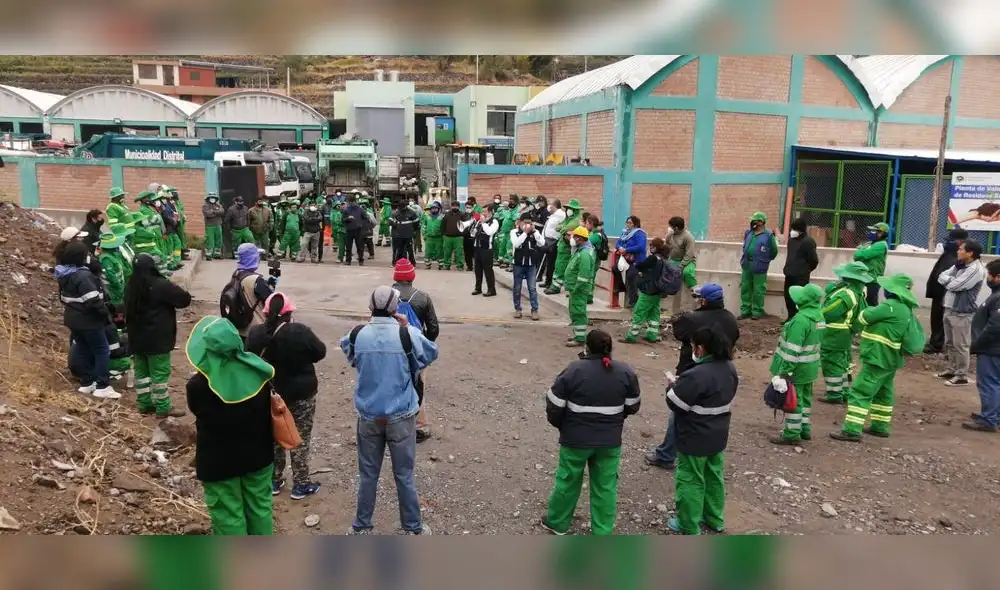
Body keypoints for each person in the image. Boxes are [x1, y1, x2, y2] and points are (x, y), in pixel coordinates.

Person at [340, 286, 439, 535]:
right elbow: (430, 353)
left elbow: (350, 356)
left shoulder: (356, 334)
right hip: (401, 416)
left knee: (368, 475)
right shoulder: (407, 335)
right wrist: (409, 328)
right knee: (404, 475)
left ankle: (362, 527)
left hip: (368, 416)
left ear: (370, 307)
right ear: (396, 309)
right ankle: (413, 528)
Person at [541, 329, 640, 535]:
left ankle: (558, 523)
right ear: (610, 348)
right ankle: (602, 531)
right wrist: (614, 421)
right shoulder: (625, 372)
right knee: (605, 487)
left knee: (567, 482)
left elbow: (554, 405)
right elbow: (632, 405)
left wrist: (563, 427)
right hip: (609, 442)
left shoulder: (574, 370)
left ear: (586, 347)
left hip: (575, 440)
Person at [186, 315, 276, 535]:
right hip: (259, 455)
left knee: (228, 515)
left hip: (219, 463)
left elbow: (198, 412)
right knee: (260, 508)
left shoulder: (198, 386)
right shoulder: (259, 372)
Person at [645, 283, 739, 470]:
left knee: (679, 412)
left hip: (692, 370)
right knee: (713, 413)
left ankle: (666, 455)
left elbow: (679, 332)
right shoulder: (730, 319)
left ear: (704, 300)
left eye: (698, 298)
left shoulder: (694, 318)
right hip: (721, 370)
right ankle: (707, 455)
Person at [245, 293, 326, 499]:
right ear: (289, 312)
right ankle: (300, 483)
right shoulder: (300, 332)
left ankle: (273, 480)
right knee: (300, 437)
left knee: (274, 436)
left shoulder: (256, 334)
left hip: (271, 394)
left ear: (265, 312)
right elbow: (320, 352)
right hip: (302, 394)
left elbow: (249, 358)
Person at [830, 273, 921, 442]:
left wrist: (867, 310)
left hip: (878, 356)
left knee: (860, 391)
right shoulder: (905, 309)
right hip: (891, 359)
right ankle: (880, 426)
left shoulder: (890, 307)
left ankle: (852, 429)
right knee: (883, 392)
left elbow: (864, 317)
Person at [665, 327, 738, 535]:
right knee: (714, 476)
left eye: (693, 346)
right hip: (718, 432)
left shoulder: (697, 375)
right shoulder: (729, 368)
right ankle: (715, 518)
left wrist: (671, 387)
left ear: (701, 348)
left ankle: (688, 524)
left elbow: (675, 403)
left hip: (694, 436)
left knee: (690, 478)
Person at [125, 253, 192, 416]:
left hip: (136, 337)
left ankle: (144, 403)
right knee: (160, 374)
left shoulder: (130, 285)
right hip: (157, 338)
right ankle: (163, 406)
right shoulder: (160, 285)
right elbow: (184, 299)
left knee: (142, 374)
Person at [56, 242, 120, 400]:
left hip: (73, 318)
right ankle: (102, 386)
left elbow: (63, 298)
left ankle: (87, 382)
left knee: (84, 349)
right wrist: (106, 315)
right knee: (102, 350)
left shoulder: (64, 274)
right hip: (88, 321)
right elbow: (93, 301)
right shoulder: (83, 276)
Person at [768, 284, 825, 445]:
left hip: (797, 369)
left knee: (794, 400)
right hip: (811, 367)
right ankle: (804, 429)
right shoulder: (819, 317)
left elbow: (792, 351)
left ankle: (792, 433)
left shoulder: (800, 320)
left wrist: (785, 372)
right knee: (805, 400)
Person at [391, 259, 440, 443]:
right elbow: (433, 328)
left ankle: (393, 423)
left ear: (395, 277)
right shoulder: (423, 297)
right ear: (412, 276)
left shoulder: (385, 296)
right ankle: (419, 426)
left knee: (393, 385)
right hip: (416, 351)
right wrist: (424, 343)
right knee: (418, 386)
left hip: (391, 349)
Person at [818, 262, 873, 405]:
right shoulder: (858, 293)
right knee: (842, 364)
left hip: (834, 336)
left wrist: (814, 317)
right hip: (844, 335)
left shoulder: (845, 294)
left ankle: (834, 394)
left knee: (831, 363)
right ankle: (844, 391)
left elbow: (828, 313)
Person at [936, 239, 986, 387]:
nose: (958, 251)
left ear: (970, 253)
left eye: (961, 249)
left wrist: (950, 280)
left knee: (961, 344)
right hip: (949, 307)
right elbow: (941, 276)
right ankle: (952, 369)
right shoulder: (960, 265)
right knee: (950, 342)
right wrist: (951, 279)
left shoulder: (975, 269)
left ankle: (962, 375)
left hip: (962, 311)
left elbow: (955, 285)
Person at [966, 259, 1000, 433]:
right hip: (993, 348)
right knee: (995, 383)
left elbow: (995, 326)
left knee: (989, 383)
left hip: (992, 349)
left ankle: (989, 419)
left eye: (990, 275)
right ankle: (994, 414)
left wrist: (977, 344)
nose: (988, 279)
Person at [925, 229, 968, 354]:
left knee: (942, 321)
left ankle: (937, 345)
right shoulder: (949, 253)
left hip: (946, 295)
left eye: (951, 240)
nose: (948, 243)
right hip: (939, 293)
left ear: (961, 242)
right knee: (936, 319)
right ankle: (935, 342)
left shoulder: (959, 256)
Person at [622, 238, 670, 344]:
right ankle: (652, 335)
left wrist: (635, 262)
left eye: (652, 246)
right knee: (654, 313)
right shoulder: (663, 259)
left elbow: (640, 265)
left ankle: (631, 337)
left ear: (656, 247)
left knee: (639, 312)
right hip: (658, 291)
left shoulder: (653, 259)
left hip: (648, 290)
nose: (650, 247)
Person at [228, 243, 276, 337]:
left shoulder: (236, 274)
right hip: (256, 330)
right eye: (257, 256)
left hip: (239, 327)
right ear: (252, 258)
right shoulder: (256, 280)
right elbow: (272, 301)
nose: (258, 259)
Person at [739, 212, 778, 320]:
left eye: (755, 220)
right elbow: (744, 246)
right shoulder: (749, 233)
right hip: (747, 264)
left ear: (761, 222)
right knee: (745, 287)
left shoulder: (768, 236)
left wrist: (765, 260)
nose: (752, 222)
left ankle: (757, 311)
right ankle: (745, 310)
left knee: (758, 289)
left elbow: (774, 251)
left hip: (760, 266)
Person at [781, 217, 818, 322]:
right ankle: (790, 317)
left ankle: (798, 319)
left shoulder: (808, 242)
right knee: (788, 296)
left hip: (801, 276)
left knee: (799, 298)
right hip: (789, 273)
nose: (793, 232)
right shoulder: (791, 240)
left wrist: (805, 270)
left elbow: (814, 260)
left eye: (795, 229)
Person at [565, 227, 596, 347]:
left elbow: (584, 275)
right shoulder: (581, 251)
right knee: (575, 312)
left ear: (579, 239)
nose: (571, 239)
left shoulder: (584, 254)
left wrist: (575, 287)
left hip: (579, 289)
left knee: (578, 312)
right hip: (576, 289)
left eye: (573, 237)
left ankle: (580, 338)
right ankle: (578, 335)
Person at [510, 213, 545, 320]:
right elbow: (516, 243)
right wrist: (525, 233)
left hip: (531, 265)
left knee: (532, 288)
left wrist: (534, 232)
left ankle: (534, 310)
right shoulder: (514, 232)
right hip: (518, 264)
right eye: (524, 223)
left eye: (529, 223)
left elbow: (542, 243)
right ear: (520, 223)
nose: (527, 225)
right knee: (517, 288)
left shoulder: (535, 233)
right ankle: (518, 309)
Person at [545, 199, 583, 295]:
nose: (568, 210)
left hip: (568, 249)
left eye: (570, 209)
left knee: (565, 268)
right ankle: (557, 286)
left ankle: (558, 287)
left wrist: (563, 229)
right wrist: (563, 229)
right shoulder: (568, 219)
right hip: (562, 247)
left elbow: (566, 228)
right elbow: (559, 227)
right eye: (567, 208)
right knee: (559, 266)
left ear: (575, 210)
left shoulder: (576, 221)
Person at [462, 204, 500, 297]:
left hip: (487, 249)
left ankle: (491, 289)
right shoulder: (479, 221)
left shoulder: (494, 222)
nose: (483, 213)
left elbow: (489, 232)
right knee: (477, 270)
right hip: (477, 248)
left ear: (490, 212)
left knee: (488, 270)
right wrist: (472, 227)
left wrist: (483, 223)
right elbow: (473, 234)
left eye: (485, 212)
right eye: (482, 212)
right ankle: (478, 288)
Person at [853, 222, 890, 306]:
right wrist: (861, 250)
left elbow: (860, 255)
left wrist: (861, 250)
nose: (872, 233)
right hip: (865, 276)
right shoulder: (871, 243)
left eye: (876, 231)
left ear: (883, 234)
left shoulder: (880, 245)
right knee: (862, 301)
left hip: (873, 278)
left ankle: (874, 318)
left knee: (871, 302)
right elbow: (856, 255)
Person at [615, 216, 648, 308]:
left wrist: (627, 249)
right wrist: (620, 248)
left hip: (637, 260)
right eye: (627, 222)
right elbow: (617, 243)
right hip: (625, 259)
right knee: (615, 268)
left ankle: (634, 300)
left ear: (635, 224)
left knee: (631, 276)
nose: (627, 224)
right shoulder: (625, 233)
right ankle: (621, 287)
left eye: (630, 223)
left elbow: (641, 246)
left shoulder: (640, 233)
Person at [664, 216, 697, 289]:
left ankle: (695, 291)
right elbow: (666, 244)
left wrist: (681, 266)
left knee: (687, 273)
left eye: (671, 227)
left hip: (688, 262)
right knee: (663, 270)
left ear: (676, 228)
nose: (670, 228)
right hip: (673, 260)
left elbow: (689, 254)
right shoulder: (671, 235)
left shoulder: (688, 237)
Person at [98, 231, 128, 308]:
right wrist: (119, 289)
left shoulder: (113, 255)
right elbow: (111, 276)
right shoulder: (106, 258)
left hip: (120, 288)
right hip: (114, 292)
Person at [539, 198, 564, 289]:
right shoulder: (553, 215)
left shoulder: (561, 215)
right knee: (549, 263)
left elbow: (559, 228)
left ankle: (550, 283)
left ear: (555, 205)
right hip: (548, 240)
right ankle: (547, 281)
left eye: (551, 205)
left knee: (552, 263)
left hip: (554, 241)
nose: (549, 206)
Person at [389, 200, 420, 265]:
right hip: (399, 235)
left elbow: (416, 223)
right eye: (401, 207)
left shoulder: (411, 212)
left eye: (403, 207)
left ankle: (412, 263)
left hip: (408, 235)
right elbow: (390, 221)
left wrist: (414, 231)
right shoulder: (396, 213)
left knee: (409, 250)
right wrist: (395, 224)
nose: (402, 208)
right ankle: (397, 263)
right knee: (399, 250)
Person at [440, 200, 465, 271]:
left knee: (459, 253)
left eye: (456, 206)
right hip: (447, 237)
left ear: (459, 207)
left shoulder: (462, 215)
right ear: (451, 206)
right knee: (447, 252)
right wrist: (443, 234)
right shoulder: (447, 214)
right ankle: (446, 265)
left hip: (458, 237)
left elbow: (465, 225)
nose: (455, 207)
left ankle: (460, 266)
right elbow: (442, 225)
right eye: (453, 206)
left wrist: (462, 234)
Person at [342, 195, 366, 266]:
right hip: (349, 230)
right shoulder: (347, 210)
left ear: (355, 202)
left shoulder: (360, 209)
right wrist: (348, 218)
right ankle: (348, 261)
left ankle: (361, 260)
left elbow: (365, 218)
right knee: (348, 246)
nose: (351, 204)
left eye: (352, 202)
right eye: (350, 202)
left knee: (360, 246)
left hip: (358, 230)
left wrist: (361, 225)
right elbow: (342, 220)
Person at [202, 192, 225, 260]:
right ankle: (208, 255)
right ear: (208, 198)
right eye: (211, 197)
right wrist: (216, 212)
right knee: (210, 240)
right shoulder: (205, 206)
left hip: (218, 224)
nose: (212, 199)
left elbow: (222, 211)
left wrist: (213, 211)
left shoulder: (218, 205)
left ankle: (217, 254)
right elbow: (207, 214)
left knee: (219, 239)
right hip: (210, 226)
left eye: (214, 197)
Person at [422, 201, 444, 270]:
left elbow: (444, 227)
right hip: (429, 238)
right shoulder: (427, 216)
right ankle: (427, 265)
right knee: (428, 252)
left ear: (438, 209)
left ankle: (441, 265)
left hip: (439, 238)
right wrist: (424, 235)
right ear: (430, 209)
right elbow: (423, 226)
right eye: (432, 208)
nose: (434, 209)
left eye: (436, 208)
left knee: (439, 252)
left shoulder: (442, 217)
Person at [461, 199, 477, 272]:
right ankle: (469, 266)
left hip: (475, 237)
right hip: (466, 236)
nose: (468, 209)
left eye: (469, 207)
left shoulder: (476, 215)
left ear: (473, 208)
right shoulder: (463, 215)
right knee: (467, 253)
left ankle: (476, 266)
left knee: (475, 253)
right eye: (467, 207)